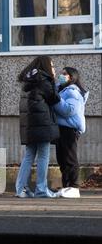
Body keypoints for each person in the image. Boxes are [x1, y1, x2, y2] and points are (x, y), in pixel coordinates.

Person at [16, 56, 60, 198]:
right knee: (43, 156)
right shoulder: (44, 80)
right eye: (52, 66)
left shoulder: (29, 79)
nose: (53, 69)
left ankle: (21, 189)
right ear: (46, 66)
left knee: (29, 156)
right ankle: (41, 189)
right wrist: (53, 80)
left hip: (30, 124)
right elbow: (54, 98)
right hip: (42, 123)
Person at [53, 67, 89, 198]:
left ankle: (74, 187)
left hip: (70, 129)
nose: (61, 76)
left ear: (71, 77)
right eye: (61, 73)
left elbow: (69, 110)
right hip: (62, 129)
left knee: (69, 158)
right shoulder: (62, 89)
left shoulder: (73, 91)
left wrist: (55, 100)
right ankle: (66, 186)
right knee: (62, 159)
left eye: (64, 74)